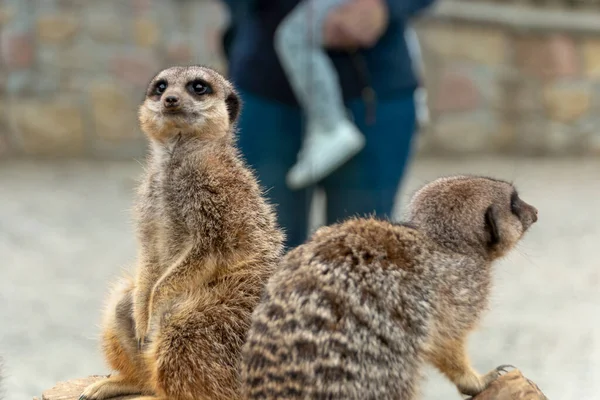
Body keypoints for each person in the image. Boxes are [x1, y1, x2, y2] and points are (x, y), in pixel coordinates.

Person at [220, 0, 436, 249]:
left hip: (375, 97)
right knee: (263, 257)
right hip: (264, 91)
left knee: (358, 256)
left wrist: (387, 7)